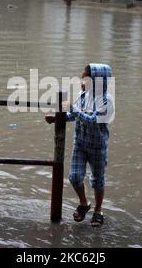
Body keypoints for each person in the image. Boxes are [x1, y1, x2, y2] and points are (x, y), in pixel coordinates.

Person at [45, 64, 113, 228]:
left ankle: (98, 210)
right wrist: (57, 118)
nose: (82, 81)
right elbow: (74, 116)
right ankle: (84, 204)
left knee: (97, 180)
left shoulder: (106, 100)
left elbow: (92, 120)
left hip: (97, 146)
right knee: (74, 177)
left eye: (85, 78)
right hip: (80, 144)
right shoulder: (83, 96)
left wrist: (72, 108)